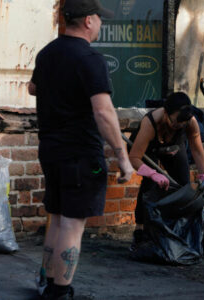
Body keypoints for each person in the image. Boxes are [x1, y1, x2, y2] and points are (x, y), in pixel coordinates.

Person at [28, 0, 134, 298]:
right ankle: (60, 291)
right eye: (99, 18)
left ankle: (48, 280)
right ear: (88, 21)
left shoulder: (47, 53)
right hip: (81, 153)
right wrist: (122, 157)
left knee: (59, 216)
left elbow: (32, 88)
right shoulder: (90, 59)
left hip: (50, 148)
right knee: (73, 223)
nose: (101, 23)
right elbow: (104, 112)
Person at [128, 92, 204, 251]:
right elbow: (134, 157)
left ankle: (176, 229)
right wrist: (153, 173)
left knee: (183, 185)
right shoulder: (150, 123)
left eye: (182, 124)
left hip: (172, 147)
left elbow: (198, 151)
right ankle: (140, 229)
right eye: (175, 123)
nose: (178, 126)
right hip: (145, 150)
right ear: (166, 113)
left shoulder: (189, 122)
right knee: (149, 185)